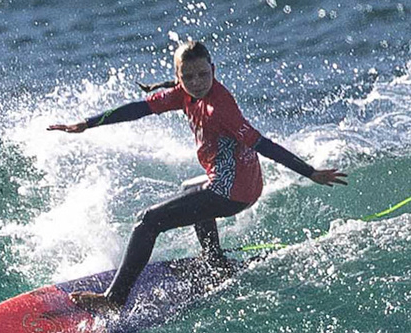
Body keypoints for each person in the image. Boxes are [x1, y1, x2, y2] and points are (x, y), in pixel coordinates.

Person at [46, 39, 347, 311]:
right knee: (190, 190)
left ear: (213, 70)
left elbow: (263, 144)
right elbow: (138, 109)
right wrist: (87, 123)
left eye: (203, 74)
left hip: (233, 191)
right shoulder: (184, 93)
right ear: (178, 77)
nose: (197, 82)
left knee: (147, 221)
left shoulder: (221, 109)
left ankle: (114, 299)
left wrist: (311, 172)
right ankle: (215, 260)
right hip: (234, 181)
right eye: (188, 77)